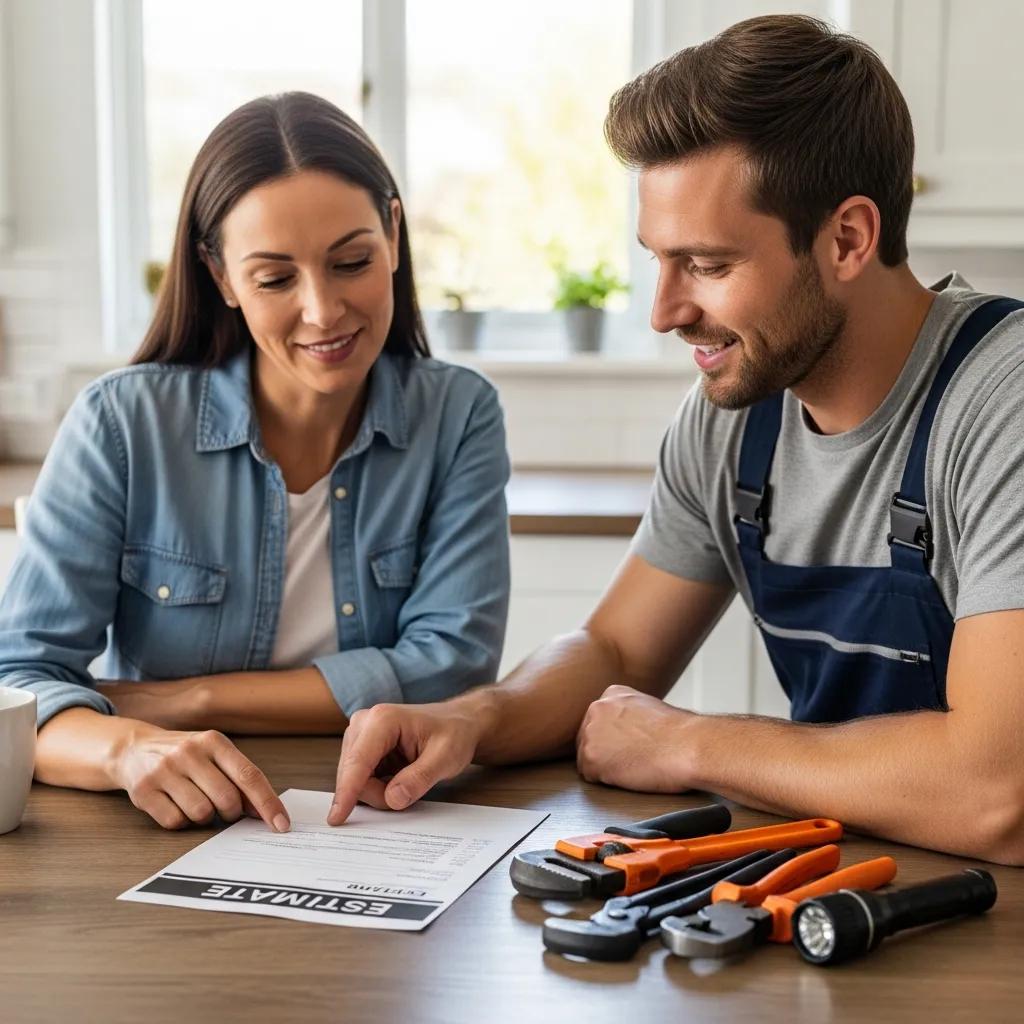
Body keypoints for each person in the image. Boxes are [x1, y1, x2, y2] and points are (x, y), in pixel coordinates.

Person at [328, 15, 1024, 865]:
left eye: (709, 265)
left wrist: (689, 743)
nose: (665, 313)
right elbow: (617, 648)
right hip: (850, 892)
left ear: (848, 239)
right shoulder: (735, 417)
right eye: (657, 260)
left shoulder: (1001, 405)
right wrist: (473, 720)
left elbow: (998, 792)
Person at [0, 92, 510, 833]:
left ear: (394, 236)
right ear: (221, 275)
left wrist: (190, 700)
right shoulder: (122, 423)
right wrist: (126, 747)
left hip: (380, 817)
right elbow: (18, 683)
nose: (323, 311)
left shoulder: (459, 415)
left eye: (352, 261)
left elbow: (452, 670)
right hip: (167, 822)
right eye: (275, 278)